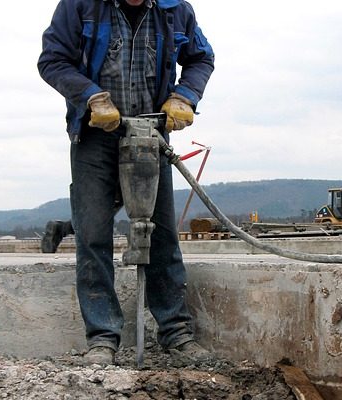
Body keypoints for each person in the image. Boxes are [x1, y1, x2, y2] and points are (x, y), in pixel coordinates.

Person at [38, 0, 214, 365]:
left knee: (162, 233)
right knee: (94, 233)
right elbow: (53, 60)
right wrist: (90, 98)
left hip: (151, 132)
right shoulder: (80, 6)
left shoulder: (175, 10)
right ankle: (103, 337)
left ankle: (176, 332)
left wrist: (185, 96)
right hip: (96, 135)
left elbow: (201, 58)